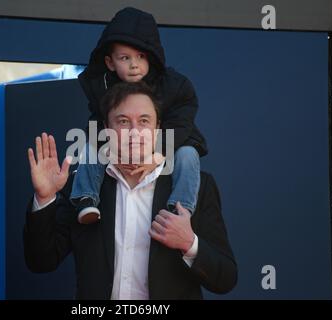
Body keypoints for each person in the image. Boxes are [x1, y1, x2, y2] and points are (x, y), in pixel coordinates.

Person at [24, 81, 237, 299]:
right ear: (107, 130)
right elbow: (41, 261)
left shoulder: (197, 186)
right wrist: (45, 197)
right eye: (123, 122)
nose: (134, 132)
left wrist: (189, 243)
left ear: (157, 129)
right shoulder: (83, 188)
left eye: (144, 121)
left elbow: (225, 279)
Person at [70, 7, 208, 224]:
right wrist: (110, 150)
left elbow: (182, 121)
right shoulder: (103, 86)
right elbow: (97, 123)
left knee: (189, 155)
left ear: (151, 58)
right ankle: (85, 198)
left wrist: (159, 152)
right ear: (110, 62)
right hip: (122, 144)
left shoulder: (173, 84)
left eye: (141, 56)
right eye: (125, 58)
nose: (134, 65)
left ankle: (180, 208)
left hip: (173, 140)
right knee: (89, 146)